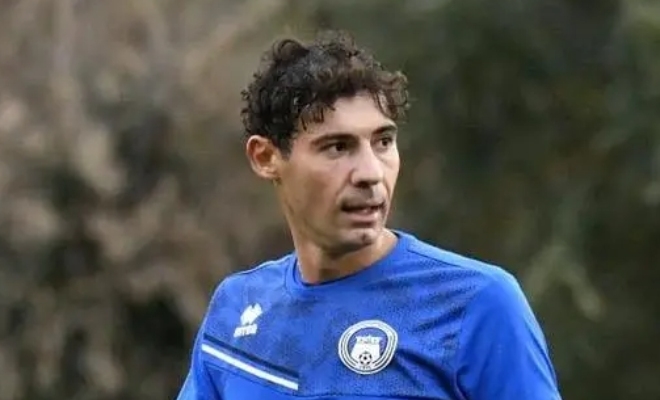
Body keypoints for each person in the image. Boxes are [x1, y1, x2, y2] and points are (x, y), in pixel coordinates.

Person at [175, 30, 561, 400]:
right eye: (338, 147)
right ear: (266, 157)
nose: (371, 173)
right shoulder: (237, 309)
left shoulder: (477, 306)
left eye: (383, 142)